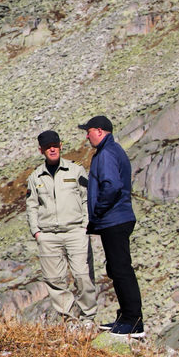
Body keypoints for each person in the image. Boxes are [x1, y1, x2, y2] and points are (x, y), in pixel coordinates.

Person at [25, 129, 95, 326]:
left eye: (55, 146)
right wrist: (36, 232)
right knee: (55, 280)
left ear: (61, 146)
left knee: (82, 275)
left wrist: (85, 225)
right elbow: (31, 205)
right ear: (41, 150)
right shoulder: (35, 177)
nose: (52, 150)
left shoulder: (76, 170)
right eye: (48, 147)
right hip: (48, 235)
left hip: (75, 232)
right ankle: (69, 319)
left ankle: (88, 317)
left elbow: (86, 197)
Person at [81, 114, 142, 337]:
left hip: (114, 219)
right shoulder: (113, 150)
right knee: (118, 268)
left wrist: (98, 210)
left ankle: (133, 321)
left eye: (88, 131)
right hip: (118, 218)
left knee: (121, 269)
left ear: (99, 131)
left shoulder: (106, 153)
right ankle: (127, 317)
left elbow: (112, 186)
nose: (86, 136)